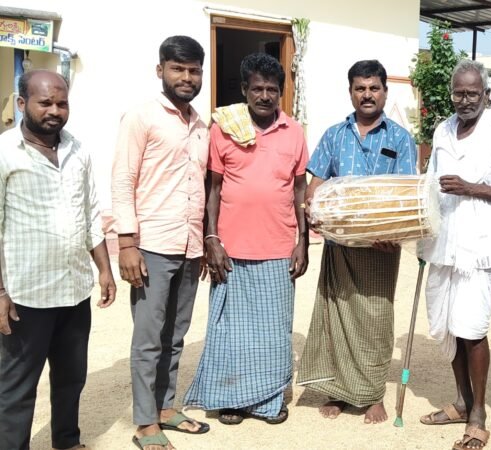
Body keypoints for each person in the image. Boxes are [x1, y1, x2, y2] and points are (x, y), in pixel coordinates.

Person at [184, 53, 309, 425]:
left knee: (274, 332)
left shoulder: (294, 131)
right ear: (244, 90)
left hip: (279, 248)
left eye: (272, 89)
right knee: (232, 331)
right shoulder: (224, 129)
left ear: (281, 93)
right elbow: (213, 188)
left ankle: (269, 401)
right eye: (257, 88)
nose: (265, 96)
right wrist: (211, 238)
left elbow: (299, 189)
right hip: (231, 249)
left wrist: (303, 241)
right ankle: (232, 399)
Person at [0, 70, 116, 450]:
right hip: (26, 296)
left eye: (61, 103)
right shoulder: (4, 153)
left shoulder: (77, 150)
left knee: (71, 378)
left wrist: (104, 269)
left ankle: (67, 441)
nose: (54, 110)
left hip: (73, 290)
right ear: (22, 104)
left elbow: (90, 213)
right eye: (45, 102)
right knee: (17, 387)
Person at [297, 59, 417, 424]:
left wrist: (393, 234)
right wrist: (314, 209)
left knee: (376, 318)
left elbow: (405, 194)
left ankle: (372, 393)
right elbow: (315, 183)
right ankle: (337, 391)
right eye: (360, 88)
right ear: (350, 92)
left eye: (374, 88)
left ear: (385, 92)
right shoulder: (335, 135)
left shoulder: (400, 138)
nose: (367, 94)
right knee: (337, 314)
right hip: (340, 246)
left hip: (381, 247)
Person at [418, 59, 491, 450]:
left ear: (486, 94)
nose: (465, 100)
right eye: (459, 93)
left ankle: (478, 412)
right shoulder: (443, 129)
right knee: (448, 327)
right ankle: (462, 400)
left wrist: (471, 187)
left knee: (472, 330)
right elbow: (430, 182)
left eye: (472, 93)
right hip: (442, 244)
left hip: (477, 248)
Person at [112, 35, 211, 450]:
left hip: (189, 245)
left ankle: (166, 407)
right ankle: (145, 423)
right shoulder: (141, 117)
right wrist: (127, 243)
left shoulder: (201, 125)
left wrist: (202, 241)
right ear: (161, 70)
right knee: (149, 338)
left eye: (194, 70)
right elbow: (123, 180)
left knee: (176, 334)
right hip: (151, 244)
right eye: (178, 69)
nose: (186, 77)